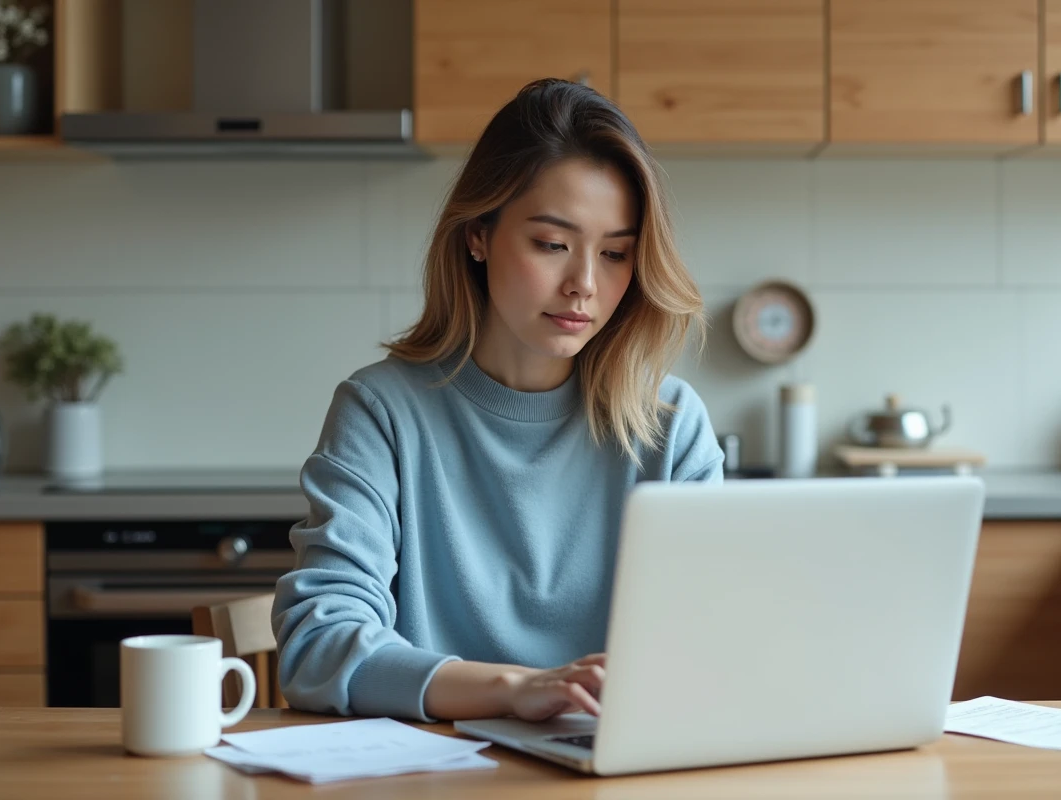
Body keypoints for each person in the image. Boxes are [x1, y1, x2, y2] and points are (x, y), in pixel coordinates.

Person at [273, 78, 724, 724]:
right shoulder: (380, 412)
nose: (584, 286)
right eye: (552, 244)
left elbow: (716, 645)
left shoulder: (671, 428)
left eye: (616, 253)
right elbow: (318, 646)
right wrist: (516, 689)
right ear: (478, 235)